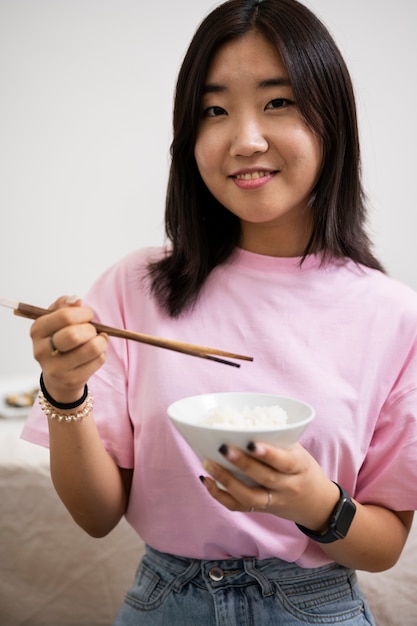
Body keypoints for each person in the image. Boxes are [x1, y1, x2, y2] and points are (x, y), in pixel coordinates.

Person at [22, 0, 417, 624]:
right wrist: (64, 390)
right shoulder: (133, 286)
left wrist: (315, 501)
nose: (246, 139)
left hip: (316, 607)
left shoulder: (396, 317)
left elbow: (387, 543)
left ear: (332, 120)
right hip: (163, 601)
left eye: (277, 102)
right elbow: (97, 517)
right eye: (215, 110)